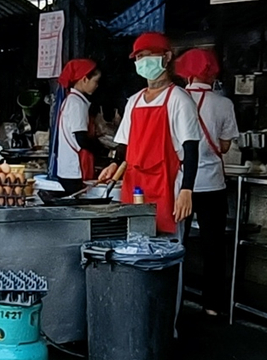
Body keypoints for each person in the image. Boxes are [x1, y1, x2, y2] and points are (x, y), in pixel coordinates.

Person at [99, 32, 201, 236]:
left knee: (164, 246)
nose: (143, 61)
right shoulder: (134, 101)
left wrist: (187, 190)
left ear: (167, 57)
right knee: (133, 240)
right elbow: (123, 144)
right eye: (138, 57)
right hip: (134, 184)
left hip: (166, 185)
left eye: (148, 55)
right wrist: (114, 164)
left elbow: (191, 149)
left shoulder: (179, 100)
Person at [174, 47, 239, 317]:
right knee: (214, 246)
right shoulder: (224, 103)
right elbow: (224, 146)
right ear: (213, 74)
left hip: (181, 183)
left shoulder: (176, 99)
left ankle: (174, 299)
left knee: (177, 242)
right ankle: (212, 304)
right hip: (212, 184)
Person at [48, 59, 115, 196]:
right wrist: (103, 151)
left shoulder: (73, 100)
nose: (97, 86)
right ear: (84, 79)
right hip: (74, 169)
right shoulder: (76, 104)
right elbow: (81, 139)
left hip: (70, 167)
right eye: (95, 81)